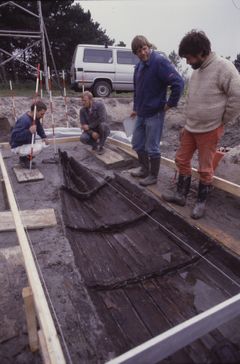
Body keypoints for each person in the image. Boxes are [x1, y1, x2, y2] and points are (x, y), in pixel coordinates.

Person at [162, 30, 240, 219]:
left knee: (205, 168)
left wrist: (222, 120)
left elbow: (237, 96)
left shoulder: (224, 68)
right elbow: (191, 99)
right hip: (191, 127)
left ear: (201, 52)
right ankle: (181, 195)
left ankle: (200, 203)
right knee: (181, 160)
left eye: (189, 58)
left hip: (210, 128)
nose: (187, 62)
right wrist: (186, 123)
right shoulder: (197, 72)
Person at [130, 35, 184, 186]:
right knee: (137, 143)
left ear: (148, 46)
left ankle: (153, 176)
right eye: (138, 51)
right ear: (135, 53)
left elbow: (178, 83)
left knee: (152, 147)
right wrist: (135, 108)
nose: (142, 53)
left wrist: (170, 104)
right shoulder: (139, 67)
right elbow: (137, 90)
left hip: (155, 113)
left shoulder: (159, 62)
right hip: (141, 113)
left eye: (144, 48)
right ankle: (144, 169)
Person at [10, 101, 49, 169]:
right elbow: (15, 137)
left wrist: (44, 137)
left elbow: (39, 128)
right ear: (35, 111)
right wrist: (29, 131)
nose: (42, 116)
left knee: (44, 144)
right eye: (41, 114)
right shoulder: (24, 120)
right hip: (17, 146)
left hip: (25, 143)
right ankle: (26, 161)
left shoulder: (35, 118)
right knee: (39, 147)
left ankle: (24, 159)